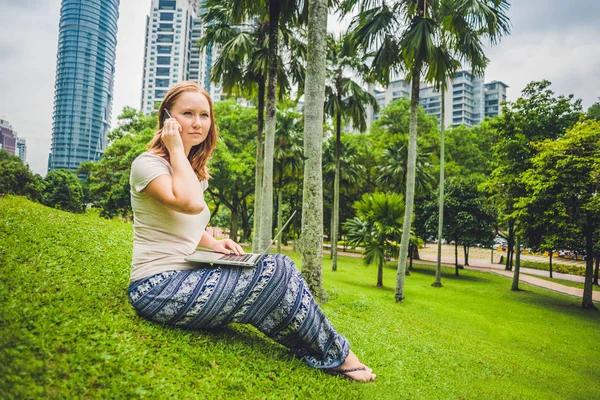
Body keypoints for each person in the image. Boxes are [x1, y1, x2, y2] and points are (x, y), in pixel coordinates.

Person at [127, 81, 376, 382]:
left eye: (204, 115)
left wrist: (214, 243)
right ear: (168, 119)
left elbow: (186, 225)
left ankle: (320, 350)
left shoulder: (191, 172)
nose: (197, 123)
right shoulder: (148, 165)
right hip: (157, 289)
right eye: (187, 113)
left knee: (280, 265)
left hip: (189, 274)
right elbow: (190, 204)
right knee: (274, 272)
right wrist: (176, 149)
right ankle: (341, 356)